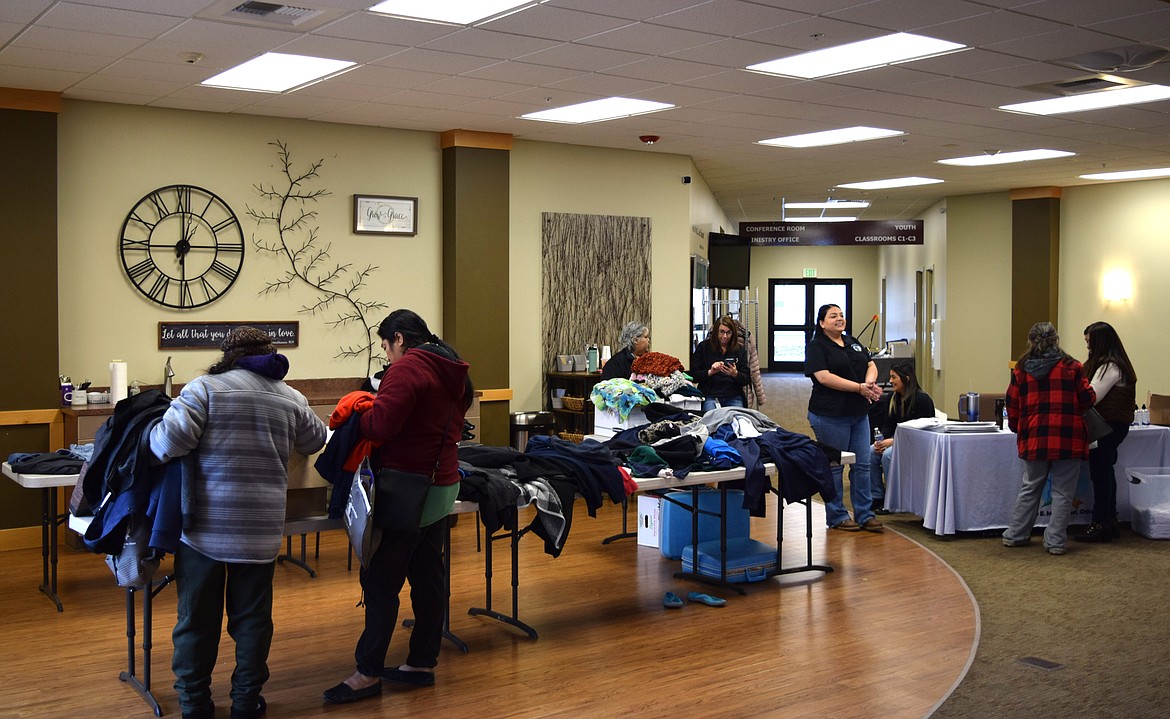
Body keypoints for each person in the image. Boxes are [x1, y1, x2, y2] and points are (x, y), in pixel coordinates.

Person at [148, 327, 328, 719]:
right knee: (252, 620)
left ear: (227, 355)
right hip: (261, 530)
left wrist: (153, 427)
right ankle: (246, 702)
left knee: (196, 620)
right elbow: (316, 441)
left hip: (203, 530)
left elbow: (167, 444)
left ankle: (195, 705)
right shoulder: (290, 396)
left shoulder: (204, 390)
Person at [324, 309, 472, 705]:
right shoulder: (453, 365)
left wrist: (362, 408)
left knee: (381, 582)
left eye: (386, 346)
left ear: (399, 340)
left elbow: (381, 427)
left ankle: (367, 673)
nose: (387, 355)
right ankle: (422, 662)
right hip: (442, 484)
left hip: (407, 488)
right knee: (427, 574)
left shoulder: (407, 369)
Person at [1002, 322, 1095, 556]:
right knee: (1063, 492)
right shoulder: (1073, 367)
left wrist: (1017, 427)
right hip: (1067, 437)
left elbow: (1012, 404)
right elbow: (1087, 399)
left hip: (1034, 437)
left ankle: (1016, 534)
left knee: (1030, 487)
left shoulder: (1021, 369)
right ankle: (1055, 541)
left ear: (1031, 340)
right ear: (1056, 339)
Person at [804, 303, 884, 532]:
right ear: (821, 323)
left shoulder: (852, 342)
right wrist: (859, 388)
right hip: (829, 414)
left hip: (858, 413)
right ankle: (837, 516)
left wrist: (868, 382)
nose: (840, 318)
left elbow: (871, 364)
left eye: (841, 315)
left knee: (862, 465)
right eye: (833, 316)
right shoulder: (817, 346)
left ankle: (865, 514)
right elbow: (824, 377)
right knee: (835, 466)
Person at [1076, 321, 1137, 543]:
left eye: (1089, 341)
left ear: (1098, 341)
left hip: (1107, 427)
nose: (1087, 346)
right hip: (1111, 426)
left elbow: (1092, 396)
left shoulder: (1110, 367)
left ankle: (1101, 522)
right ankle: (1109, 522)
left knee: (1100, 474)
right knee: (1105, 472)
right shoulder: (1110, 364)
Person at [870, 361, 935, 514]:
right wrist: (881, 441)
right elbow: (888, 425)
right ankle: (877, 496)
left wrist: (893, 442)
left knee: (888, 456)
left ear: (906, 379)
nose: (890, 381)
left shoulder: (922, 400)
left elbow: (925, 431)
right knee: (871, 452)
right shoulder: (893, 398)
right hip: (896, 440)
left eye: (894, 377)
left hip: (918, 443)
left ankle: (894, 500)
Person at [692, 315, 750, 412]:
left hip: (733, 395)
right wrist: (710, 372)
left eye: (728, 333)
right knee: (712, 420)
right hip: (710, 395)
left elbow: (747, 379)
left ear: (733, 333)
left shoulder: (739, 350)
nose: (725, 336)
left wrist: (735, 374)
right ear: (716, 332)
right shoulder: (703, 347)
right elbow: (693, 375)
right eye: (722, 332)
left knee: (738, 420)